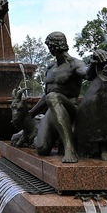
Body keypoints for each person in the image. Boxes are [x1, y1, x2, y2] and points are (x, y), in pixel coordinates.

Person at [27, 31, 89, 163]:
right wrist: (31, 113)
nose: (49, 49)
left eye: (50, 46)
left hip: (71, 108)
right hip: (52, 107)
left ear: (56, 46)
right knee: (41, 149)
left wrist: (97, 61)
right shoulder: (50, 67)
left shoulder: (75, 64)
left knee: (53, 97)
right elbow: (45, 96)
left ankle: (69, 148)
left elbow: (87, 73)